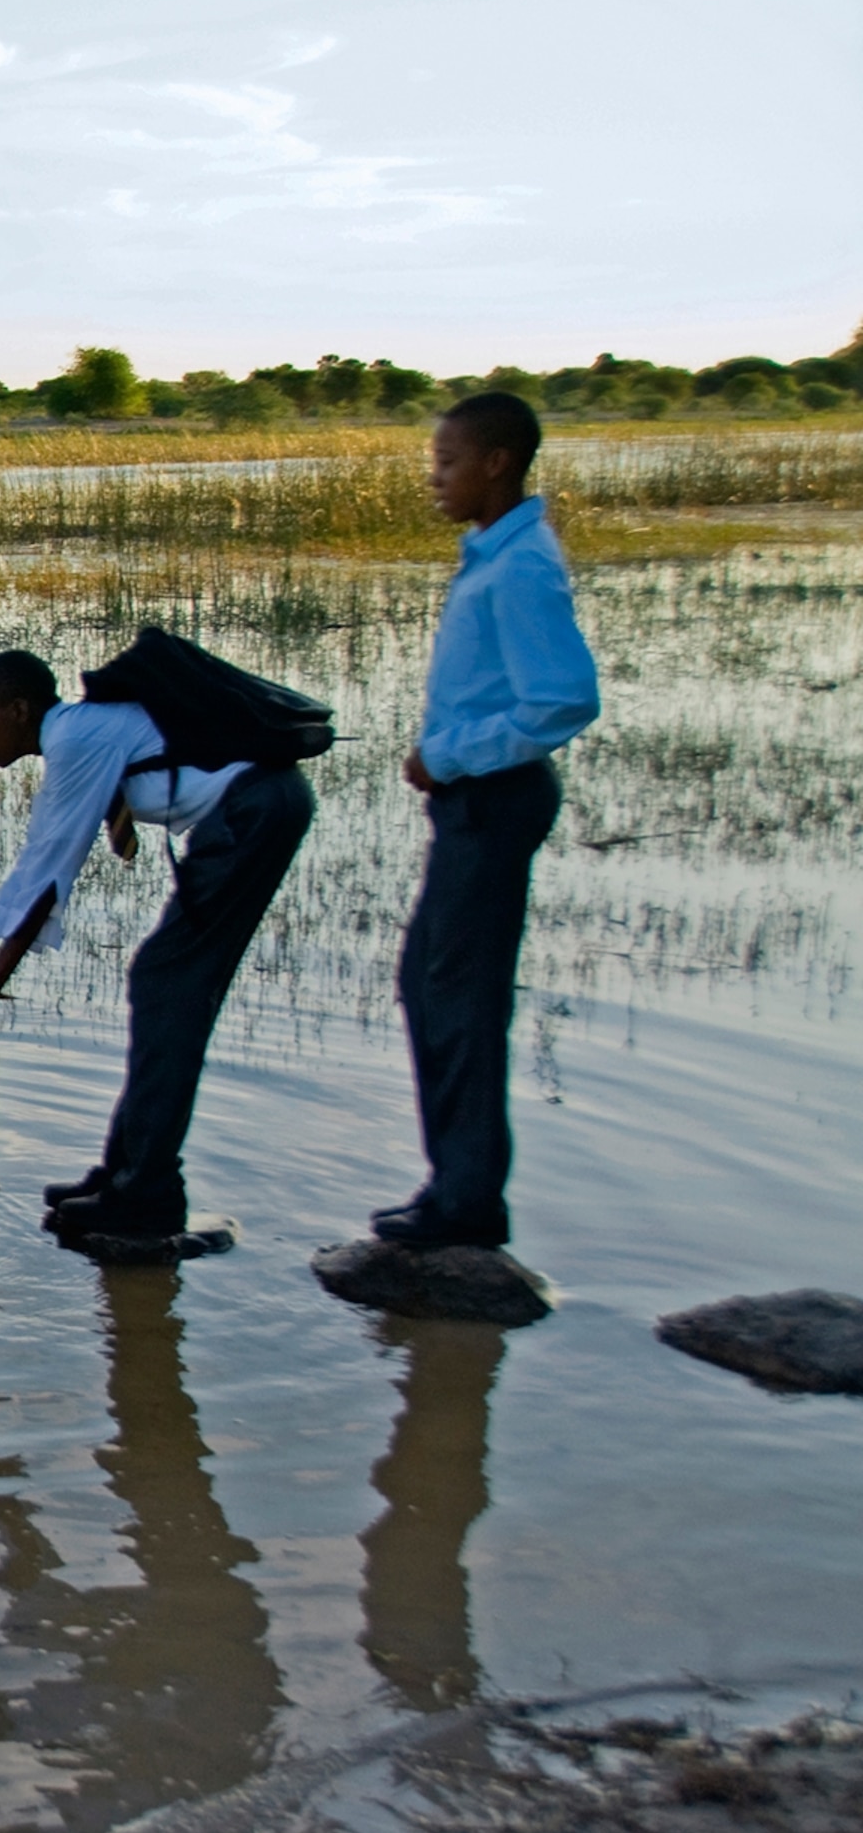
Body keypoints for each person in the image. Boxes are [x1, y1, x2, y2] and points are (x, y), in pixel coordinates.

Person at [0, 648, 315, 1243]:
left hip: (255, 810)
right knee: (163, 985)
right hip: (253, 810)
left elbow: (46, 879)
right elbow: (33, 873)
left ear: (19, 711)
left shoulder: (75, 740)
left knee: (168, 988)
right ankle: (122, 1175)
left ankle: (146, 1193)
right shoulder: (77, 735)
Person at [373, 393, 599, 1249]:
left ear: (496, 463)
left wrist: (455, 753)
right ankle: (453, 1187)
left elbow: (566, 699)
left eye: (448, 462)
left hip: (495, 800)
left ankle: (467, 1203)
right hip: (476, 800)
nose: (436, 479)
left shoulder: (522, 566)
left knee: (458, 997)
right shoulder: (492, 557)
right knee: (430, 985)